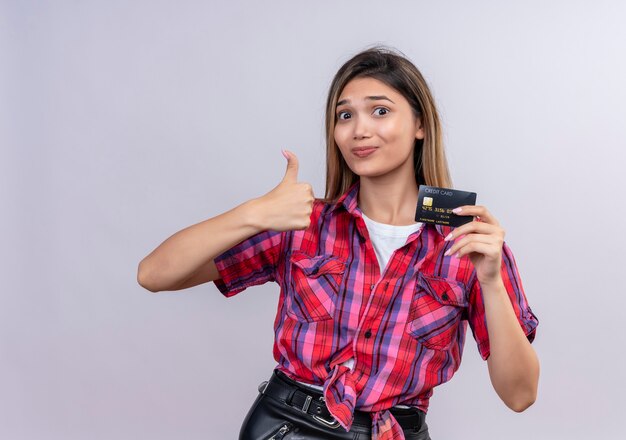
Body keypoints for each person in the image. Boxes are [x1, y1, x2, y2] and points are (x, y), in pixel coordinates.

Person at [137, 46, 539, 440]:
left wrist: (490, 281)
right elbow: (154, 274)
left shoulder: (469, 244)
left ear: (420, 125)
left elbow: (520, 396)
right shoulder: (302, 224)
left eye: (380, 111)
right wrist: (253, 213)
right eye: (345, 115)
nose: (359, 130)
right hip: (288, 428)